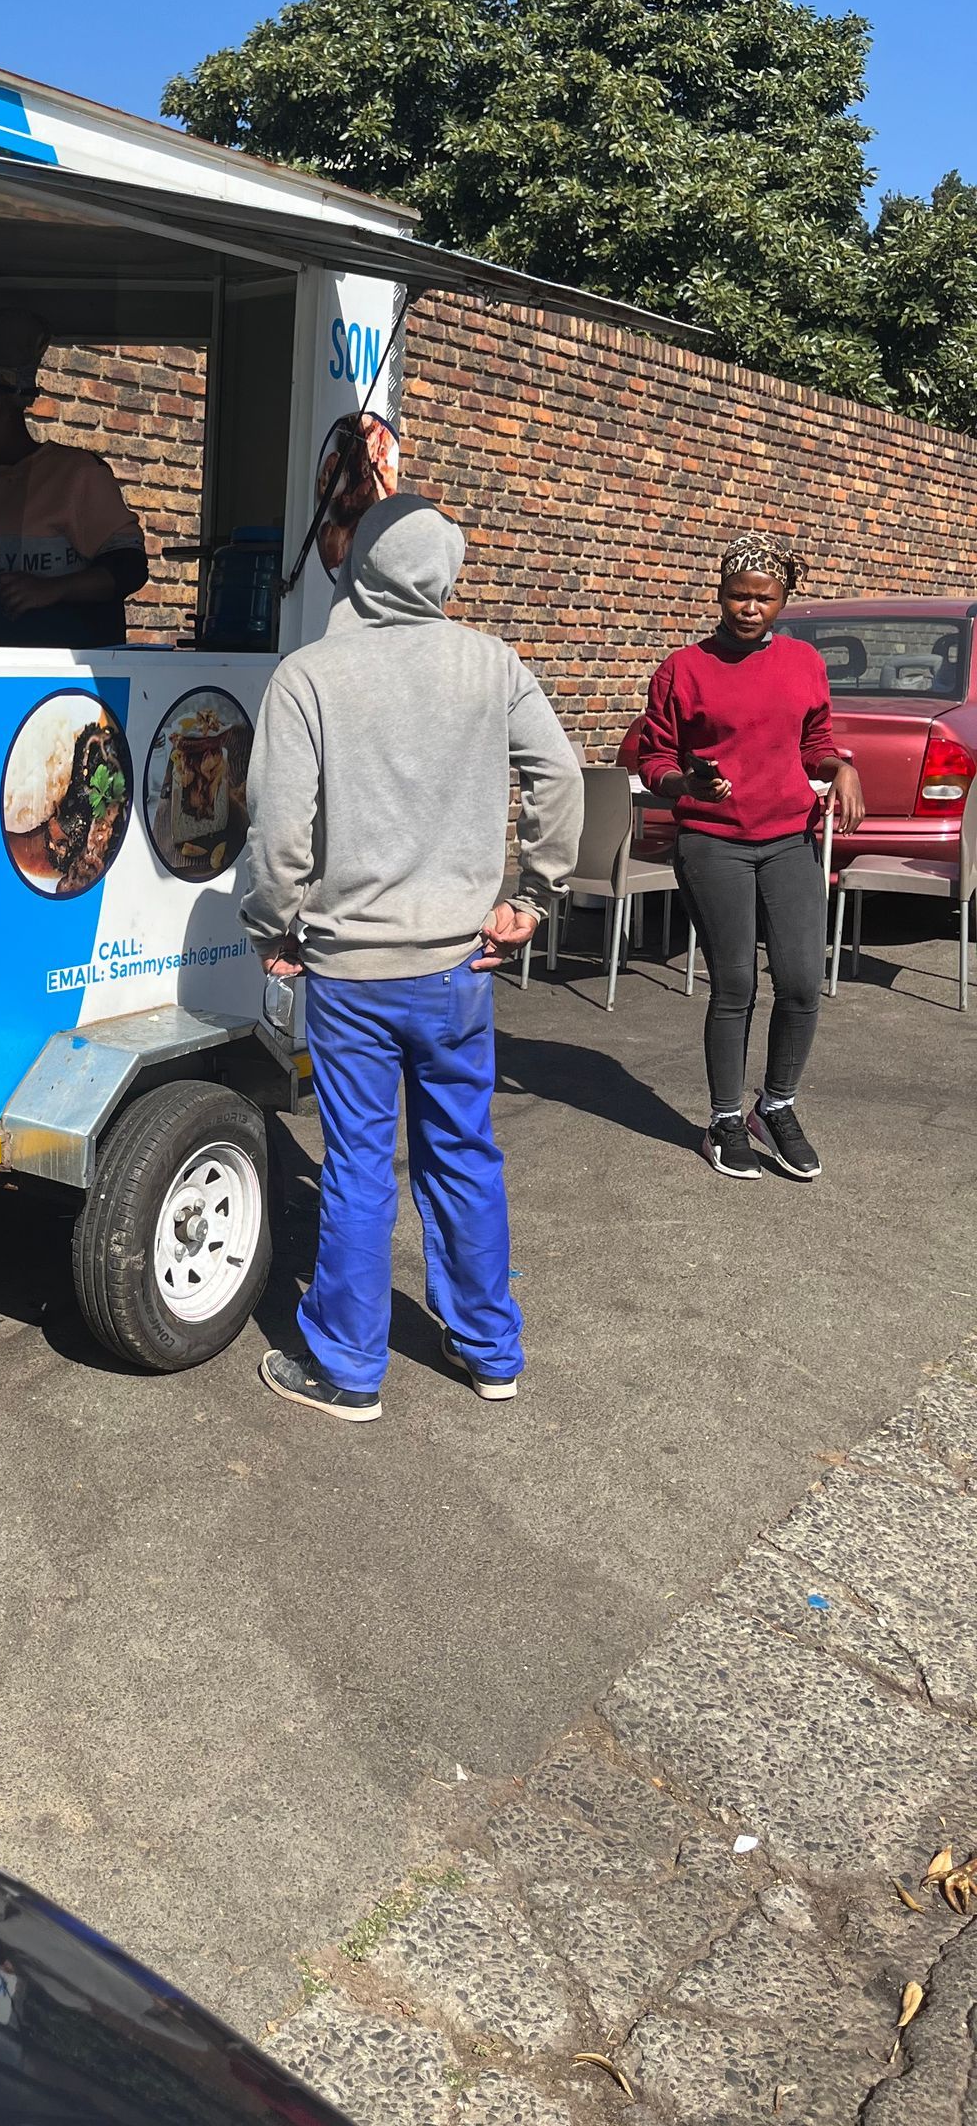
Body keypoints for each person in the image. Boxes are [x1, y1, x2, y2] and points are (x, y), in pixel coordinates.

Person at [242, 466, 583, 1424]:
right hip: (457, 969)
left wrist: (276, 925)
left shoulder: (309, 674)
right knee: (464, 1155)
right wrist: (534, 898)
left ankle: (348, 1370)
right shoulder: (492, 664)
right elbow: (558, 778)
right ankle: (490, 1351)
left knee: (357, 1165)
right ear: (444, 574)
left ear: (361, 574)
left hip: (351, 973)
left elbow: (279, 831)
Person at [636, 536, 863, 1182]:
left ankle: (777, 1106)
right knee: (735, 983)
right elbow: (654, 759)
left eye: (764, 598)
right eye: (739, 595)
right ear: (719, 594)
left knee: (798, 981)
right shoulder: (683, 670)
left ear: (783, 600)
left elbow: (816, 740)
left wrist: (839, 767)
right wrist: (686, 785)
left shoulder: (803, 663)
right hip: (713, 842)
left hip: (789, 838)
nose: (749, 607)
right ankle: (725, 1119)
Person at [0, 308, 149, 647]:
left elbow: (129, 568)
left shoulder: (75, 475)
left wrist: (54, 589)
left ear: (4, 406)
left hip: (60, 688)